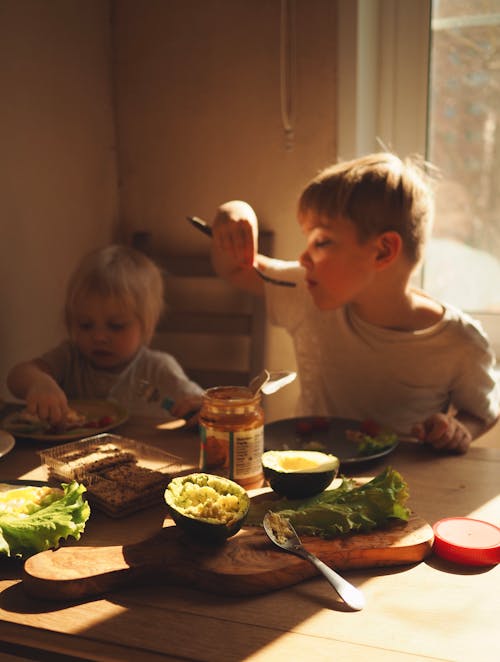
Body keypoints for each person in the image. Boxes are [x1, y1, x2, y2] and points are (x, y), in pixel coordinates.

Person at [210, 152, 499, 454]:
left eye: (321, 242)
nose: (303, 258)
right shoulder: (305, 290)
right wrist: (233, 214)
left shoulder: (459, 342)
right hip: (309, 483)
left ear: (383, 251)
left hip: (404, 493)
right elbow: (234, 269)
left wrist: (458, 429)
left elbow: (483, 411)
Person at [7, 245, 203, 425]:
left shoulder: (158, 369)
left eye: (116, 326)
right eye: (85, 325)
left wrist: (202, 409)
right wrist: (39, 383)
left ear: (146, 326)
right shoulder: (69, 358)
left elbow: (204, 406)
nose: (99, 337)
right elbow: (17, 377)